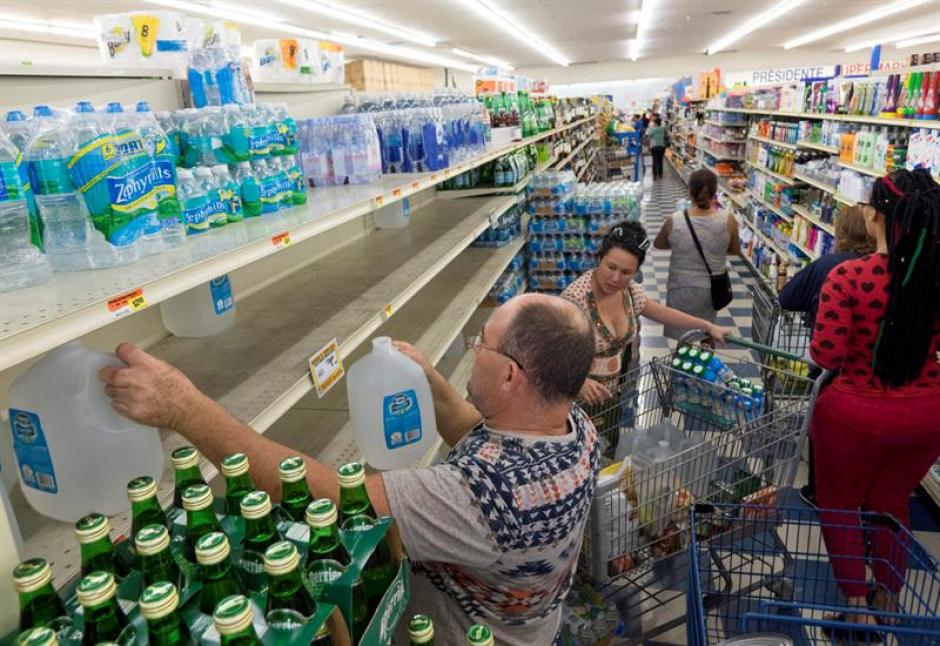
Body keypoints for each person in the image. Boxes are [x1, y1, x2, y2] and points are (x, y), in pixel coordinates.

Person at [100, 293, 599, 644]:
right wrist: (427, 376)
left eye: (480, 344)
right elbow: (479, 436)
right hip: (533, 626)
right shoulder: (572, 426)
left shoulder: (484, 496)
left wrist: (182, 407)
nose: (473, 350)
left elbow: (326, 495)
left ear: (511, 375)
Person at [810, 169, 940, 631]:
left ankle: (856, 605)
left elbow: (826, 353)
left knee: (841, 504)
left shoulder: (849, 275)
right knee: (891, 500)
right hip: (927, 416)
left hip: (855, 415)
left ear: (882, 217)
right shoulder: (934, 278)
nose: (863, 210)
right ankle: (888, 594)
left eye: (868, 204)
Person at [561, 221, 732, 434]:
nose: (615, 278)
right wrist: (580, 383)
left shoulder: (629, 292)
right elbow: (549, 355)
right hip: (572, 402)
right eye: (610, 267)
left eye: (626, 272)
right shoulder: (575, 300)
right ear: (599, 258)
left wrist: (706, 325)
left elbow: (661, 312)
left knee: (608, 448)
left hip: (612, 396)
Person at [777, 205, 875, 508]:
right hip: (872, 366)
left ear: (841, 232)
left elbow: (787, 298)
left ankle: (818, 489)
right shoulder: (885, 267)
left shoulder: (828, 265)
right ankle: (862, 490)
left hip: (830, 361)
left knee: (823, 420)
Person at [653, 168, 741, 338]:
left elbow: (659, 244)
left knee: (682, 335)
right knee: (708, 332)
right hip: (710, 289)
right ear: (715, 192)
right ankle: (706, 361)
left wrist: (681, 243)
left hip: (680, 287)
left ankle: (680, 363)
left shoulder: (675, 220)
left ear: (690, 191)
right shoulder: (727, 220)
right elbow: (735, 250)